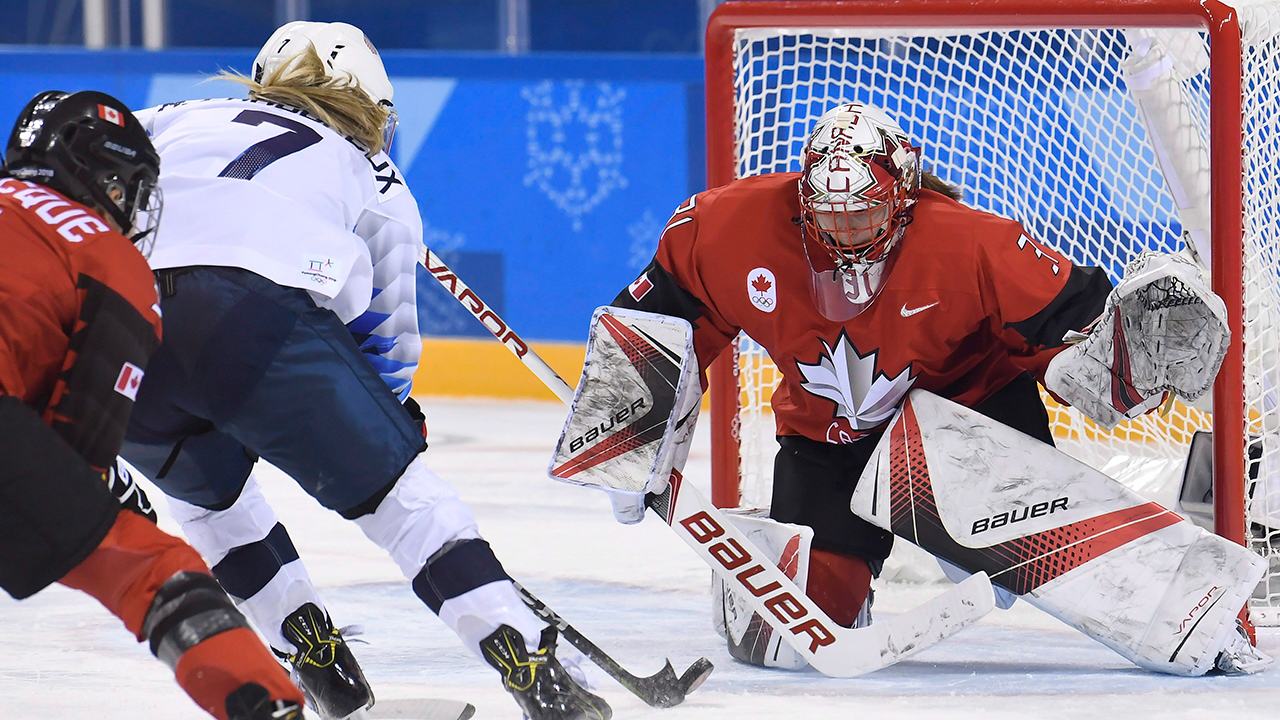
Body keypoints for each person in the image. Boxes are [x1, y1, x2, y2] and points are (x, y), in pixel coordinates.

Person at [118, 21, 611, 720]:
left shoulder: (169, 116)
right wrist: (383, 424)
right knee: (410, 509)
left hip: (124, 327)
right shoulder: (372, 173)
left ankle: (323, 672)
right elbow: (385, 347)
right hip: (255, 319)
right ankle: (540, 677)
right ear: (372, 105)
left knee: (212, 505)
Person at [610, 102, 1115, 654]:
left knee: (1050, 565)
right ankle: (807, 559)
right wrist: (630, 437)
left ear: (904, 198)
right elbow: (655, 328)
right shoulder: (729, 228)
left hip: (968, 423)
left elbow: (1074, 317)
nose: (846, 231)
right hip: (830, 441)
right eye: (829, 213)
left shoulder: (970, 243)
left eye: (863, 213)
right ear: (803, 199)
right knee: (783, 641)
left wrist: (1093, 367)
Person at [0, 90, 305, 720]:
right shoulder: (103, 253)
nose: (129, 203)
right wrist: (104, 493)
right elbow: (73, 461)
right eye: (120, 180)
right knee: (149, 564)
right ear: (82, 167)